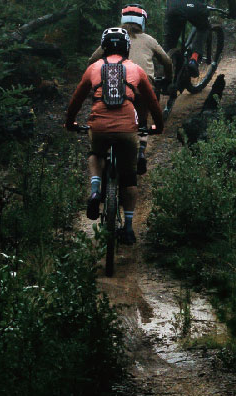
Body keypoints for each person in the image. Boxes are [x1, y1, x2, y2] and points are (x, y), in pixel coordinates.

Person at [64, 27, 164, 245]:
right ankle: (128, 228)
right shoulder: (136, 69)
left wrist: (70, 122)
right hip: (128, 128)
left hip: (99, 125)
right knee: (129, 179)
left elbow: (77, 99)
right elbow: (152, 101)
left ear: (104, 48)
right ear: (127, 48)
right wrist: (159, 125)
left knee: (95, 152)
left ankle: (94, 190)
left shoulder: (93, 68)